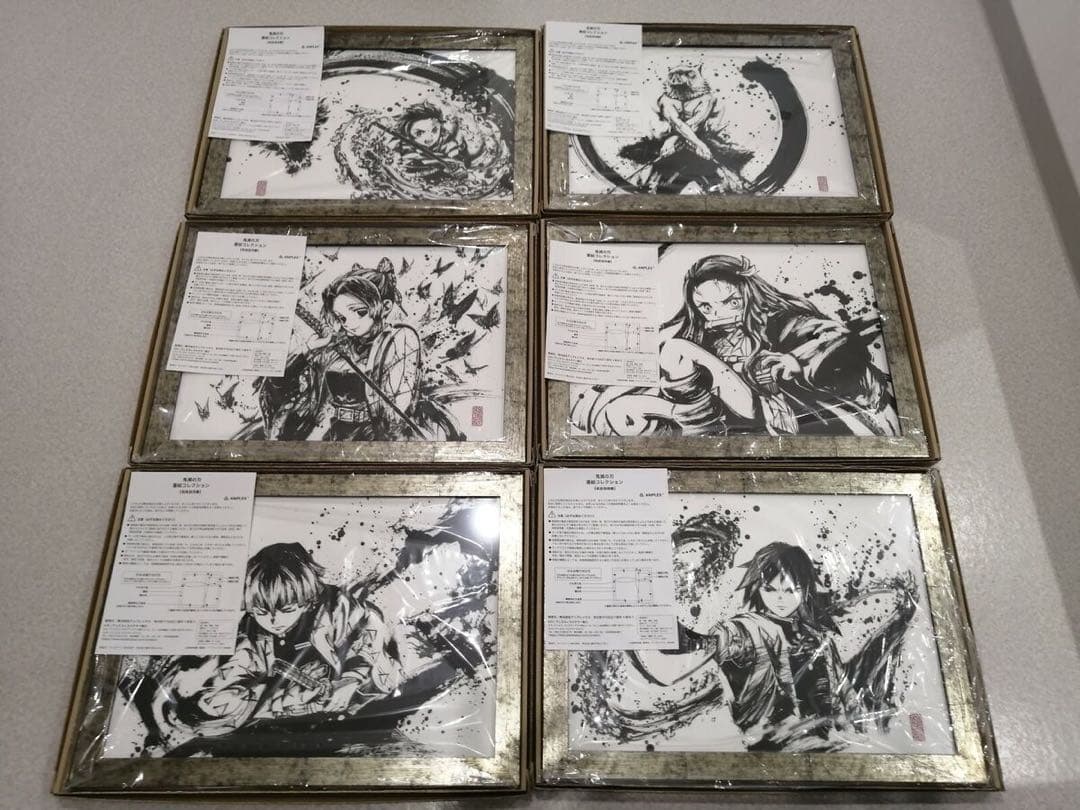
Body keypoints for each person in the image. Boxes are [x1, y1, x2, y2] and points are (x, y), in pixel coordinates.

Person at [573, 254, 894, 438]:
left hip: (771, 411)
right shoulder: (700, 330)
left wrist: (795, 361)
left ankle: (692, 422)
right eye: (706, 307)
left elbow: (834, 336)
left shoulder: (780, 320)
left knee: (677, 350)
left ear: (748, 294)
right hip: (724, 417)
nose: (717, 313)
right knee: (623, 407)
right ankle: (683, 420)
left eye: (730, 302)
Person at [186, 543, 404, 733]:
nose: (273, 620)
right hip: (307, 699)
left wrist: (352, 679)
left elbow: (370, 634)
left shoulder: (336, 607)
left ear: (307, 601)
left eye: (287, 610)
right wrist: (231, 690)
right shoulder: (251, 628)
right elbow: (240, 664)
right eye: (261, 612)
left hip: (360, 686)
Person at [253, 259, 464, 442]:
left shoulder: (397, 342)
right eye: (342, 317)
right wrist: (310, 348)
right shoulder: (331, 350)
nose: (349, 324)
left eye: (360, 312)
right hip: (334, 433)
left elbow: (398, 402)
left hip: (377, 436)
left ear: (386, 307)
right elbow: (278, 386)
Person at [617, 63, 753, 193]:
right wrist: (678, 141)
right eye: (673, 75)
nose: (677, 79)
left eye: (687, 74)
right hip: (681, 143)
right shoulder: (666, 99)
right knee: (653, 175)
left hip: (700, 140)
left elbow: (695, 124)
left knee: (721, 176)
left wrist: (679, 141)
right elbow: (676, 123)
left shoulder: (707, 98)